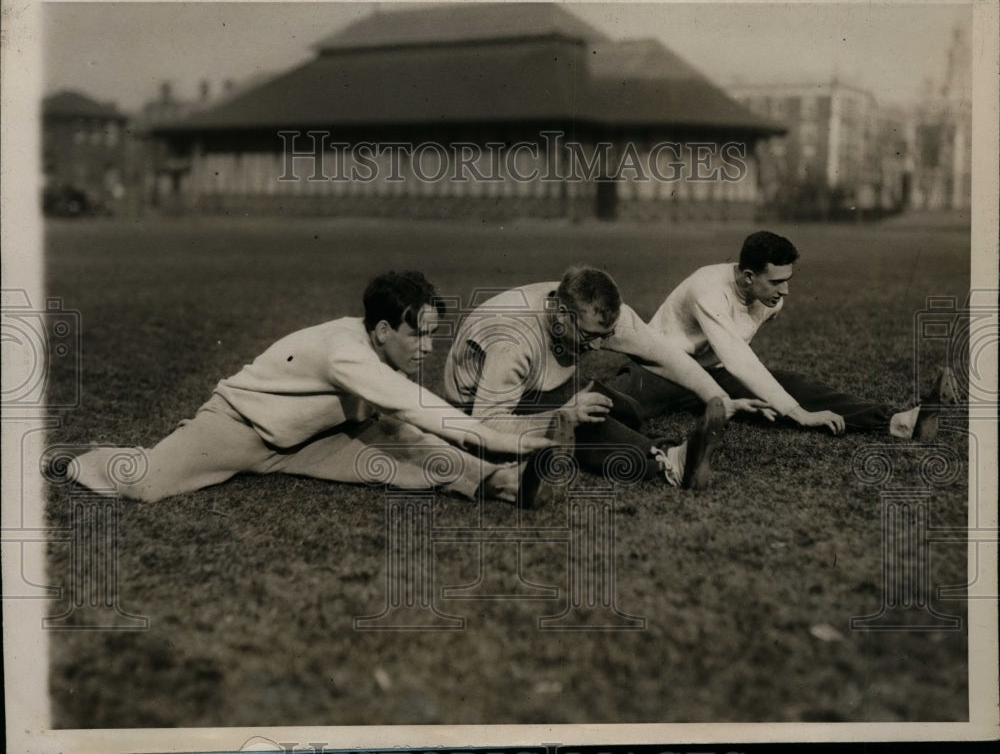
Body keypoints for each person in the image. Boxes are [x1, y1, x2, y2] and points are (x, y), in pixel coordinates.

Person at [66, 271, 556, 506]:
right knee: (144, 483)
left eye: (432, 333)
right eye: (418, 334)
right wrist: (500, 436)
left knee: (409, 446)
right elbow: (415, 401)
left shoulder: (376, 349)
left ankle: (502, 481)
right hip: (240, 427)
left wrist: (496, 454)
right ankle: (81, 458)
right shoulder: (344, 349)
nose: (428, 345)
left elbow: (409, 418)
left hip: (318, 438)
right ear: (383, 331)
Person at [443, 266, 770, 491]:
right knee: (587, 419)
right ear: (560, 316)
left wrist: (719, 400)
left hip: (539, 382)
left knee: (624, 409)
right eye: (591, 337)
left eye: (607, 335)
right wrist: (563, 415)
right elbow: (484, 421)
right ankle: (669, 462)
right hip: (477, 406)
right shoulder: (512, 340)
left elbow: (666, 357)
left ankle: (589, 423)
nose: (600, 345)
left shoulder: (594, 314)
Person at [613, 231, 957, 439]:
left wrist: (790, 402)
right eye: (777, 281)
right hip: (659, 371)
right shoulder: (707, 288)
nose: (786, 291)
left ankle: (898, 422)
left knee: (797, 384)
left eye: (788, 279)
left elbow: (734, 361)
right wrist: (798, 414)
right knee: (612, 408)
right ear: (748, 277)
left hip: (711, 375)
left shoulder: (769, 298)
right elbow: (738, 358)